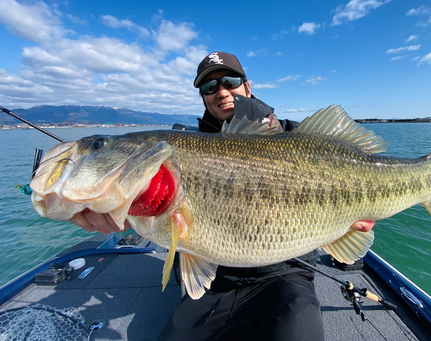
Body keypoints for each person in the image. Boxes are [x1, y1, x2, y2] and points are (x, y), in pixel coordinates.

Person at [70, 51, 375, 341]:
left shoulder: (295, 136)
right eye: (209, 85)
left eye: (230, 82)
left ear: (247, 86)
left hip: (286, 275)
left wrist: (353, 215)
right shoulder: (180, 149)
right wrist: (123, 214)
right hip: (216, 282)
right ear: (202, 95)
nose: (221, 92)